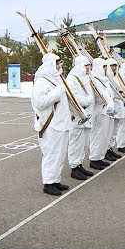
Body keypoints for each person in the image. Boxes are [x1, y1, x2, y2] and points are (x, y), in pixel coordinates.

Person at [31, 52, 72, 196]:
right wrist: (58, 91)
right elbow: (40, 102)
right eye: (57, 63)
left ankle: (55, 179)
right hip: (50, 125)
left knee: (60, 154)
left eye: (60, 63)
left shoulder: (55, 79)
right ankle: (48, 183)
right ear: (50, 64)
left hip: (61, 124)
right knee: (51, 154)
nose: (60, 66)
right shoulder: (42, 81)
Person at [66, 55, 96, 178]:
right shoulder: (72, 79)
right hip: (77, 117)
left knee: (83, 143)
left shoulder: (84, 77)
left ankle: (79, 164)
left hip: (86, 116)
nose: (88, 68)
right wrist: (89, 100)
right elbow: (76, 98)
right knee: (76, 142)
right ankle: (74, 167)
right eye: (86, 66)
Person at [88, 57, 116, 169]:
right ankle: (94, 158)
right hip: (99, 111)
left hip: (106, 111)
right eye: (103, 67)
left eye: (106, 67)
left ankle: (100, 156)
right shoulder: (94, 79)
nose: (105, 69)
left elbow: (109, 94)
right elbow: (100, 96)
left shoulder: (103, 79)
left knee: (104, 136)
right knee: (97, 135)